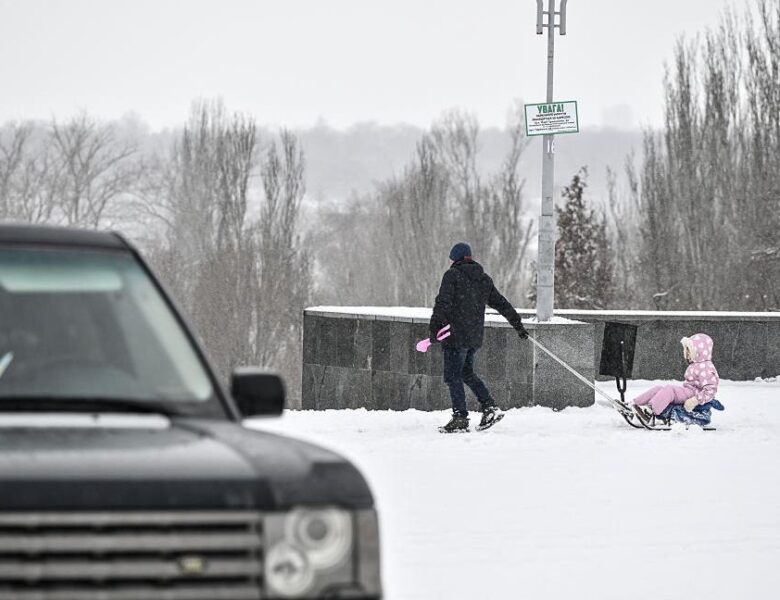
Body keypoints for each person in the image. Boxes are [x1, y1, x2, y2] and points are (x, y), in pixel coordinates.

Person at [429, 242, 529, 433]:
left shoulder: (452, 275)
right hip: (474, 336)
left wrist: (434, 328)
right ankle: (489, 407)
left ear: (455, 258)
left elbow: (443, 302)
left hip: (455, 335)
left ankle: (460, 417)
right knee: (466, 373)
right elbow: (501, 303)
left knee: (452, 376)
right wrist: (518, 325)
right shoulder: (483, 279)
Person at [633, 333, 720, 425]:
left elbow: (711, 390)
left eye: (689, 350)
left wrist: (695, 400)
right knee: (658, 388)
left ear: (699, 351)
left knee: (670, 390)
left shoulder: (706, 367)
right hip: (688, 391)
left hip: (694, 394)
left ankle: (650, 411)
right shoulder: (696, 364)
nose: (686, 353)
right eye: (686, 349)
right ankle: (634, 404)